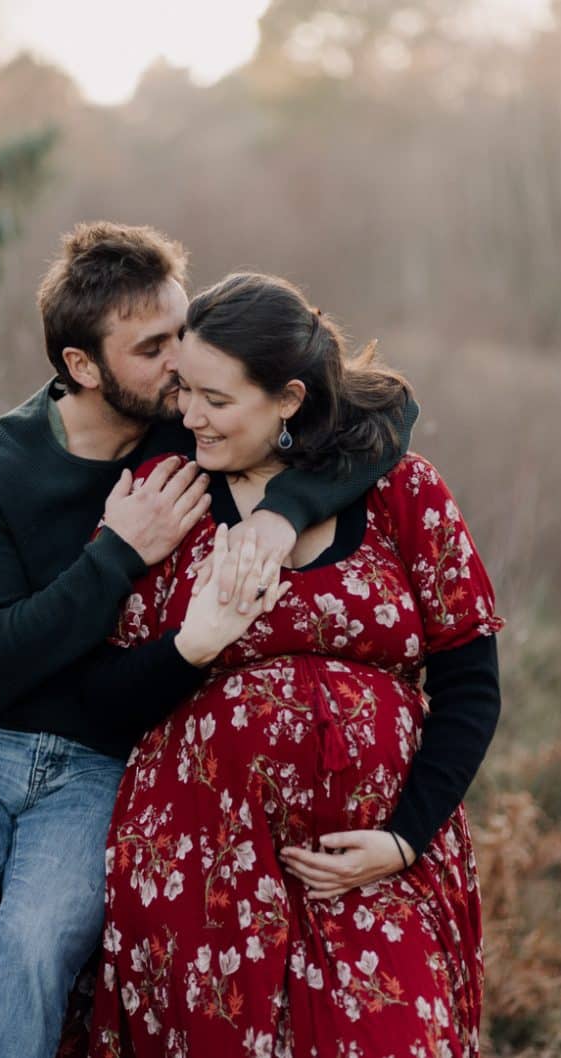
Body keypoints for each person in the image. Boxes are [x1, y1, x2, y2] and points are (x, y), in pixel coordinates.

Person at [0, 227, 417, 1058]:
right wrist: (118, 554)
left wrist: (281, 513)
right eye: (152, 348)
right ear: (83, 366)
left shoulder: (189, 432)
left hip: (100, 761)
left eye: (181, 332)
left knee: (35, 955)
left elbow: (385, 405)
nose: (180, 365)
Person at [85, 273, 503, 1058]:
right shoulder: (165, 497)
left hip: (377, 864)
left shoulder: (400, 491)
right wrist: (194, 645)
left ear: (286, 398)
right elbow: (99, 701)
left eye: (215, 399)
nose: (187, 416)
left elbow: (471, 684)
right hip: (200, 873)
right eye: (182, 391)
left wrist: (406, 838)